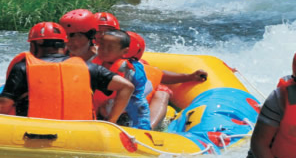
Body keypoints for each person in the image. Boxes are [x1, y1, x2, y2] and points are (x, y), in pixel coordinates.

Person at [0, 22, 133, 122]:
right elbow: (127, 86)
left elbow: (4, 106)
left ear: (35, 44)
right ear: (64, 45)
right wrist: (111, 121)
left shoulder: (23, 68)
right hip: (79, 135)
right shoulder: (89, 68)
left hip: (31, 134)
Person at [127, 31, 208, 130]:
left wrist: (189, 77)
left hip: (134, 104)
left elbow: (159, 75)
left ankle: (147, 128)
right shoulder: (104, 62)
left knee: (162, 90)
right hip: (114, 104)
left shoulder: (141, 65)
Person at [92, 29, 151, 130]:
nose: (104, 50)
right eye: (101, 46)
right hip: (103, 104)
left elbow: (138, 101)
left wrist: (142, 126)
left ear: (125, 52)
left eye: (110, 48)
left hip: (126, 107)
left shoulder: (130, 70)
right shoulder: (93, 61)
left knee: (135, 104)